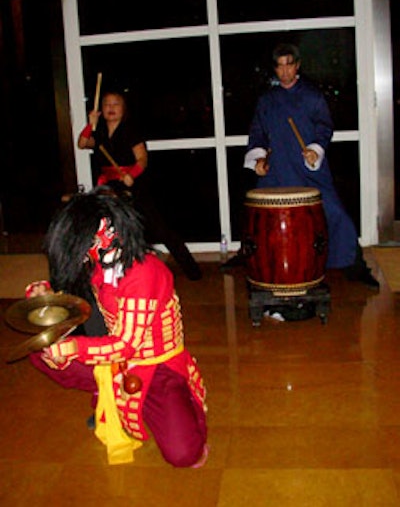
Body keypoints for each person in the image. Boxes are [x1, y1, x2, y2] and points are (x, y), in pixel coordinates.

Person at [27, 187, 208, 467]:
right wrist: (45, 293)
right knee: (41, 352)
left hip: (156, 368)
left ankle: (172, 405)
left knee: (184, 454)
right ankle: (107, 392)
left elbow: (127, 345)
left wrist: (73, 347)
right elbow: (73, 288)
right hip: (116, 363)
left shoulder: (146, 273)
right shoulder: (99, 261)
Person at [221, 43, 379, 289]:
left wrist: (315, 150)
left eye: (289, 64)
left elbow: (324, 127)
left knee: (336, 213)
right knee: (258, 215)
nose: (284, 71)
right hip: (277, 168)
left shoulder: (312, 96)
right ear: (275, 69)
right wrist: (259, 160)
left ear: (297, 66)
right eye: (279, 66)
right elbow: (258, 132)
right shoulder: (267, 100)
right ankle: (250, 255)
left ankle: (353, 264)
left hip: (308, 168)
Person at [78, 89, 202, 281]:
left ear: (124, 108)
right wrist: (90, 124)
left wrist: (131, 174)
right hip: (108, 187)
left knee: (160, 228)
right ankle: (109, 272)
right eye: (106, 104)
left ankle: (192, 270)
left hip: (133, 185)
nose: (111, 108)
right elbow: (83, 143)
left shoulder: (131, 130)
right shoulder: (100, 131)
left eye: (115, 104)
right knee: (107, 229)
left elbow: (142, 159)